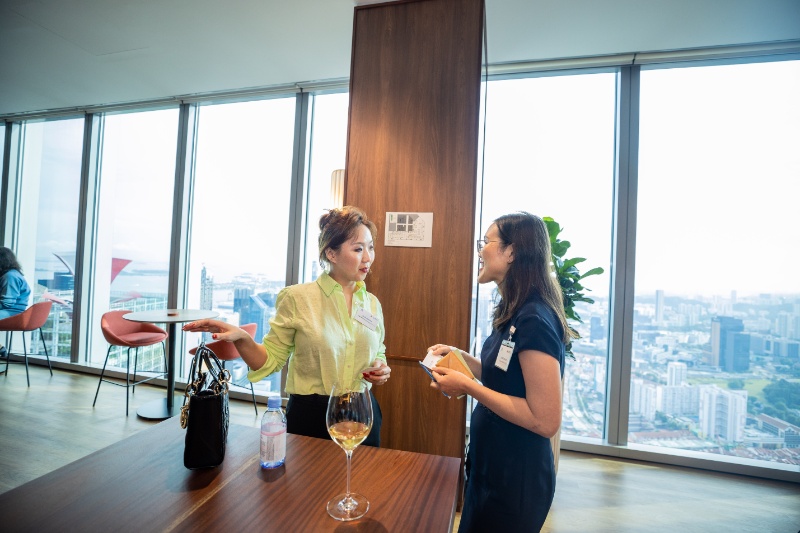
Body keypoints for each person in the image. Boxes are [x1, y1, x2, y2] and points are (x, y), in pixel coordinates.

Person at [183, 206, 391, 446]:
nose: (368, 257)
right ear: (331, 254)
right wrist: (242, 338)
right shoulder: (297, 298)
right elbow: (269, 360)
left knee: (362, 472)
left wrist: (380, 366)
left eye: (370, 247)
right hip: (311, 416)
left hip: (363, 412)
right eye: (358, 249)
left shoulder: (372, 303)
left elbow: (378, 349)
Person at [427, 212, 572, 532]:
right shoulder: (515, 311)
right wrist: (463, 359)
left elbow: (545, 419)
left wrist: (468, 386)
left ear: (512, 252)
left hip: (515, 479)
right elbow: (507, 378)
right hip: (491, 467)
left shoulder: (534, 319)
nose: (480, 250)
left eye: (486, 242)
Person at [0, 247, 32, 358]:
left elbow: (6, 303)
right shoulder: (13, 274)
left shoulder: (10, 276)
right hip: (13, 311)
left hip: (12, 313)